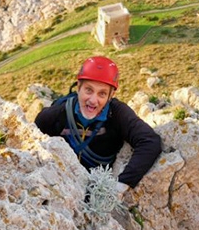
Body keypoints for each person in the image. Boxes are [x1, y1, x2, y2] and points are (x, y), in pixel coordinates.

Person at [35, 56, 162, 197]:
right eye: (88, 90)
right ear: (78, 88)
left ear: (111, 95)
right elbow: (34, 137)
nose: (93, 100)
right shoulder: (57, 114)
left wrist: (121, 184)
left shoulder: (117, 114)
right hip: (65, 186)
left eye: (102, 93)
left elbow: (150, 141)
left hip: (99, 186)